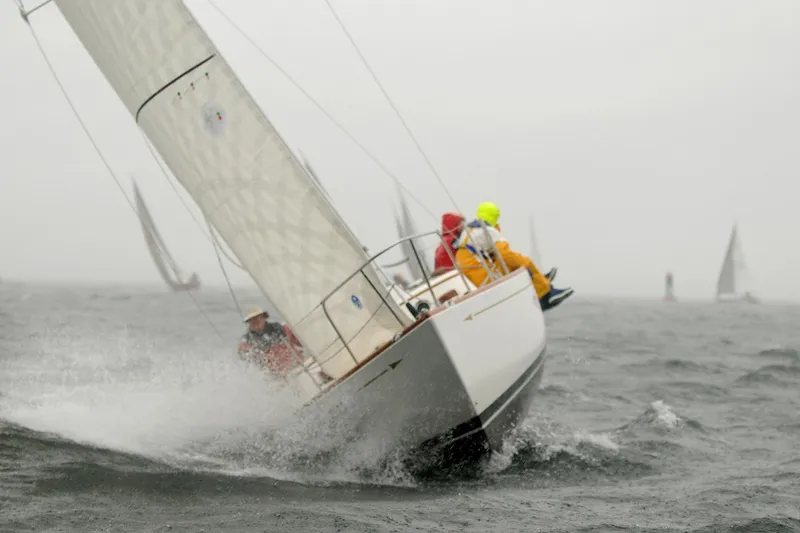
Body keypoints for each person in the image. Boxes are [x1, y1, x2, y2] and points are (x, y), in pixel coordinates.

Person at [454, 202, 573, 311]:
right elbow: (505, 254)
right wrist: (525, 264)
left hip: (470, 276)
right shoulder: (488, 230)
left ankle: (541, 280)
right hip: (482, 277)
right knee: (524, 263)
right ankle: (545, 296)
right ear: (494, 217)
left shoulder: (469, 230)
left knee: (512, 265)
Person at [433, 211, 558, 281]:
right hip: (463, 278)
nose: (464, 226)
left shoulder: (442, 243)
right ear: (453, 224)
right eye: (461, 223)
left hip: (453, 279)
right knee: (506, 261)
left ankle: (539, 278)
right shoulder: (455, 241)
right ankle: (537, 281)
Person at [237, 306, 305, 377]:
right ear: (249, 323)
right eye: (252, 321)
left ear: (263, 318)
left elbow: (295, 340)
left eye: (257, 319)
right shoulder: (248, 338)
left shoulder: (277, 327)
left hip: (294, 362)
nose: (255, 322)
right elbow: (244, 356)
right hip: (274, 371)